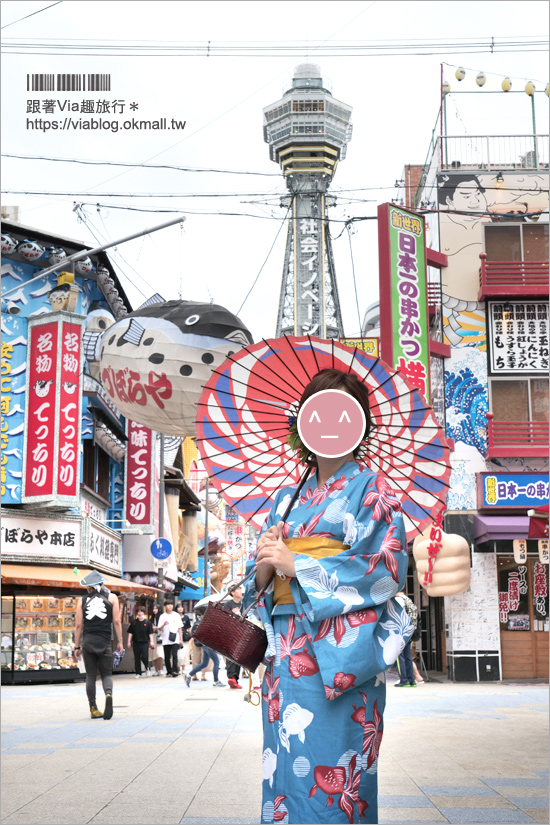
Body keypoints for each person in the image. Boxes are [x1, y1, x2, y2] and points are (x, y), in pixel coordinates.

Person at [245, 368, 413, 825]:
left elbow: (384, 568)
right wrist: (264, 564)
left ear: (358, 425)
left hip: (338, 655)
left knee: (335, 768)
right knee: (284, 764)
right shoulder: (285, 500)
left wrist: (297, 564)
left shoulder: (371, 489)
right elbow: (257, 584)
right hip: (286, 652)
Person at [74, 570, 123, 720]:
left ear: (88, 587)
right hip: (105, 641)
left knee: (90, 675)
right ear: (101, 584)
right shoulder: (113, 597)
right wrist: (120, 641)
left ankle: (93, 708)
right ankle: (108, 694)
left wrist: (77, 646)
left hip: (88, 640)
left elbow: (78, 625)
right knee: (107, 673)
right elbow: (116, 621)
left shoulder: (82, 600)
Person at [394, 591, 418, 687]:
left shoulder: (398, 600)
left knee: (399, 656)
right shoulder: (409, 601)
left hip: (401, 631)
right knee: (408, 656)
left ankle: (404, 680)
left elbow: (397, 615)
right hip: (410, 631)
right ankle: (411, 680)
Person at [224, 581, 244, 689]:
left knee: (239, 657)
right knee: (231, 655)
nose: (240, 591)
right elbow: (225, 619)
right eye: (238, 589)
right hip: (231, 633)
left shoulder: (243, 604)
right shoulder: (228, 604)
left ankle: (235, 679)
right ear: (232, 592)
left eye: (240, 589)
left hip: (242, 634)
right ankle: (231, 677)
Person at [127, 605, 155, 678]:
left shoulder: (147, 622)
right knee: (137, 657)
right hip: (136, 642)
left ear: (143, 612)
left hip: (145, 642)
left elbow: (150, 633)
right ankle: (138, 673)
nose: (139, 613)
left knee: (145, 656)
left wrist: (152, 641)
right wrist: (128, 641)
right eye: (138, 611)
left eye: (141, 611)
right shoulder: (134, 622)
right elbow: (130, 632)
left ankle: (147, 668)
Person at [157, 599, 183, 677]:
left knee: (175, 655)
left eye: (171, 604)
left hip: (175, 638)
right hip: (166, 638)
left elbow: (180, 628)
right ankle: (168, 671)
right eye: (168, 605)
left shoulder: (176, 615)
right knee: (167, 656)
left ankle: (175, 671)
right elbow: (159, 628)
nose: (170, 606)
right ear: (165, 606)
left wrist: (181, 639)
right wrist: (164, 624)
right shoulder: (162, 616)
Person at [176, 603, 192, 675]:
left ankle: (183, 668)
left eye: (181, 607)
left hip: (185, 638)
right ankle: (178, 668)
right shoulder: (175, 617)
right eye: (178, 607)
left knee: (184, 654)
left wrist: (192, 636)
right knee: (178, 654)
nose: (180, 609)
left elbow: (189, 628)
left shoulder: (186, 617)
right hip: (176, 637)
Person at [150, 605, 165, 676]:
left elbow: (162, 628)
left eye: (156, 608)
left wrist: (156, 628)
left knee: (160, 653)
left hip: (160, 636)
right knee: (153, 654)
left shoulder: (162, 618)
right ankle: (156, 670)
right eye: (153, 608)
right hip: (153, 636)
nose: (154, 610)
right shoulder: (152, 618)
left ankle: (161, 669)